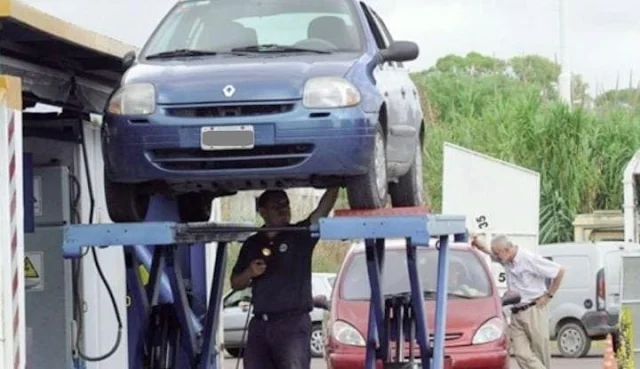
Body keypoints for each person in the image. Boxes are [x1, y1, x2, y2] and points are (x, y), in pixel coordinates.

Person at [229, 187, 339, 369]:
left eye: (285, 204)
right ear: (262, 212)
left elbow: (322, 211)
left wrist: (336, 184)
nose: (283, 209)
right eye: (275, 206)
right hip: (260, 326)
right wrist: (249, 272)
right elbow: (235, 283)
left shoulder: (300, 235)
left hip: (292, 325)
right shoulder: (252, 243)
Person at [470, 234, 565, 369]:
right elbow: (492, 253)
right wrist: (481, 246)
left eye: (498, 253)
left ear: (507, 250)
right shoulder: (507, 259)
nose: (496, 257)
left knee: (540, 354)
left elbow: (560, 271)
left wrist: (549, 295)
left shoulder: (528, 259)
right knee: (520, 353)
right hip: (516, 312)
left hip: (534, 310)